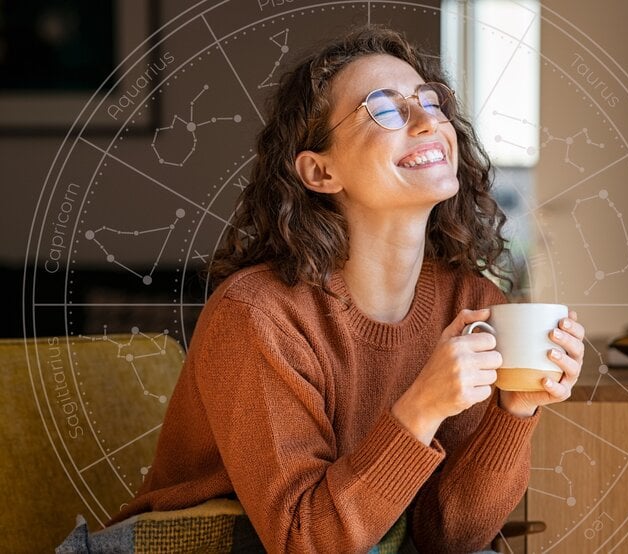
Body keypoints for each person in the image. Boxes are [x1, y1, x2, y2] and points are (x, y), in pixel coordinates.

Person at [109, 26, 585, 553]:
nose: (429, 120)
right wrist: (420, 408)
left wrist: (513, 411)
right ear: (320, 171)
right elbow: (302, 541)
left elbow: (446, 539)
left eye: (431, 101)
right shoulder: (257, 315)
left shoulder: (471, 305)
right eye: (384, 109)